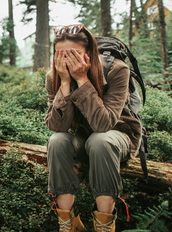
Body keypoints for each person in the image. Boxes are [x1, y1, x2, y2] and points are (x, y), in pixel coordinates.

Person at [45, 24, 142, 231]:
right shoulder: (53, 76)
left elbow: (103, 124)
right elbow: (56, 126)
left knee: (100, 140)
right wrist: (63, 84)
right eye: (60, 54)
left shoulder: (116, 70)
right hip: (83, 137)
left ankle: (105, 224)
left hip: (119, 135)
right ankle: (67, 223)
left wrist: (81, 79)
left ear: (89, 53)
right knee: (57, 141)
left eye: (74, 54)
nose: (66, 60)